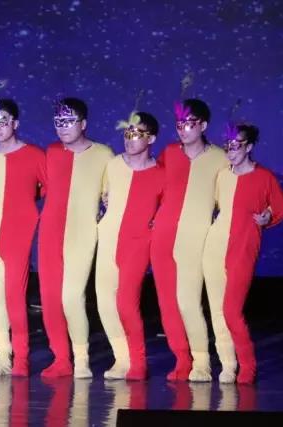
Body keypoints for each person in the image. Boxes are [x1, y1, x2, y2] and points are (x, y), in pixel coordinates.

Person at [203, 123, 283, 384]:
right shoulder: (221, 176)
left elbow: (280, 209)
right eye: (227, 145)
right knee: (217, 310)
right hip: (214, 245)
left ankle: (248, 365)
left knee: (231, 310)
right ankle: (228, 366)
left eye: (236, 145)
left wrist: (267, 217)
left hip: (243, 247)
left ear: (249, 147)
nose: (230, 150)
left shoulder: (264, 177)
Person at [150, 98, 229, 381]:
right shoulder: (169, 153)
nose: (183, 129)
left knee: (188, 303)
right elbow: (153, 187)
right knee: (168, 305)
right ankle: (182, 359)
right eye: (179, 124)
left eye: (189, 124)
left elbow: (231, 194)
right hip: (162, 237)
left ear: (203, 125)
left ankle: (202, 361)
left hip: (195, 239)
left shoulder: (220, 158)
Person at [38, 98, 114, 378]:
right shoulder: (51, 152)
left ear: (83, 124)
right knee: (49, 299)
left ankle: (81, 360)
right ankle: (61, 359)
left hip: (82, 232)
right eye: (58, 122)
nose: (63, 127)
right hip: (50, 231)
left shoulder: (103, 154)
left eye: (69, 121)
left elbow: (112, 193)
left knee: (71, 297)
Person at [0, 98, 46, 377]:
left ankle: (21, 357)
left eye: (3, 122)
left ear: (15, 124)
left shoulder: (34, 154)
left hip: (18, 231)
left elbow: (48, 188)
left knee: (14, 296)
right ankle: (2, 355)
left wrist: (27, 205)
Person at [96, 111, 163, 380]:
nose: (130, 139)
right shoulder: (113, 165)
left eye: (137, 134)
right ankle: (121, 358)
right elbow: (104, 195)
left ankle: (138, 362)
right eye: (127, 133)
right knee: (105, 302)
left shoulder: (161, 174)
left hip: (137, 242)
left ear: (151, 138)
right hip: (108, 238)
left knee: (126, 302)